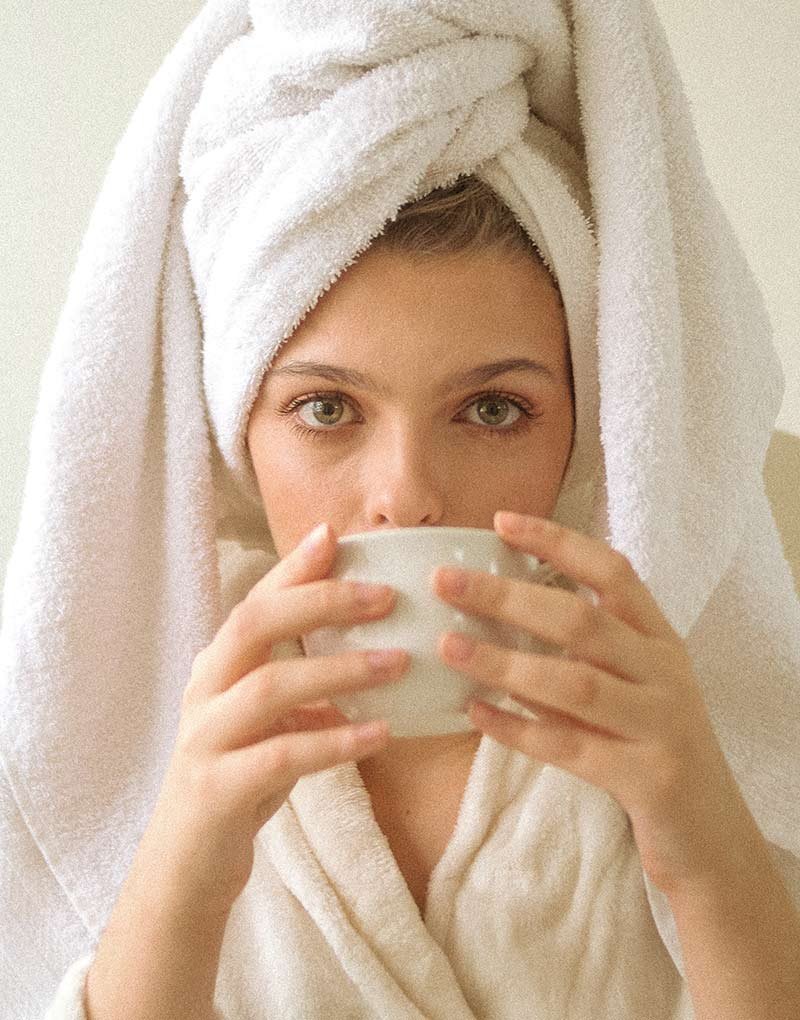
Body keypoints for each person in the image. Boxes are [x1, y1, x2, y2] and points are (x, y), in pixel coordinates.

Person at [3, 2, 800, 1018]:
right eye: (326, 408)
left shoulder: (669, 702)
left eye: (492, 408)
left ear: (590, 416)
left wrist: (706, 852)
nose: (408, 494)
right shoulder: (141, 712)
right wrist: (181, 876)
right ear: (234, 421)